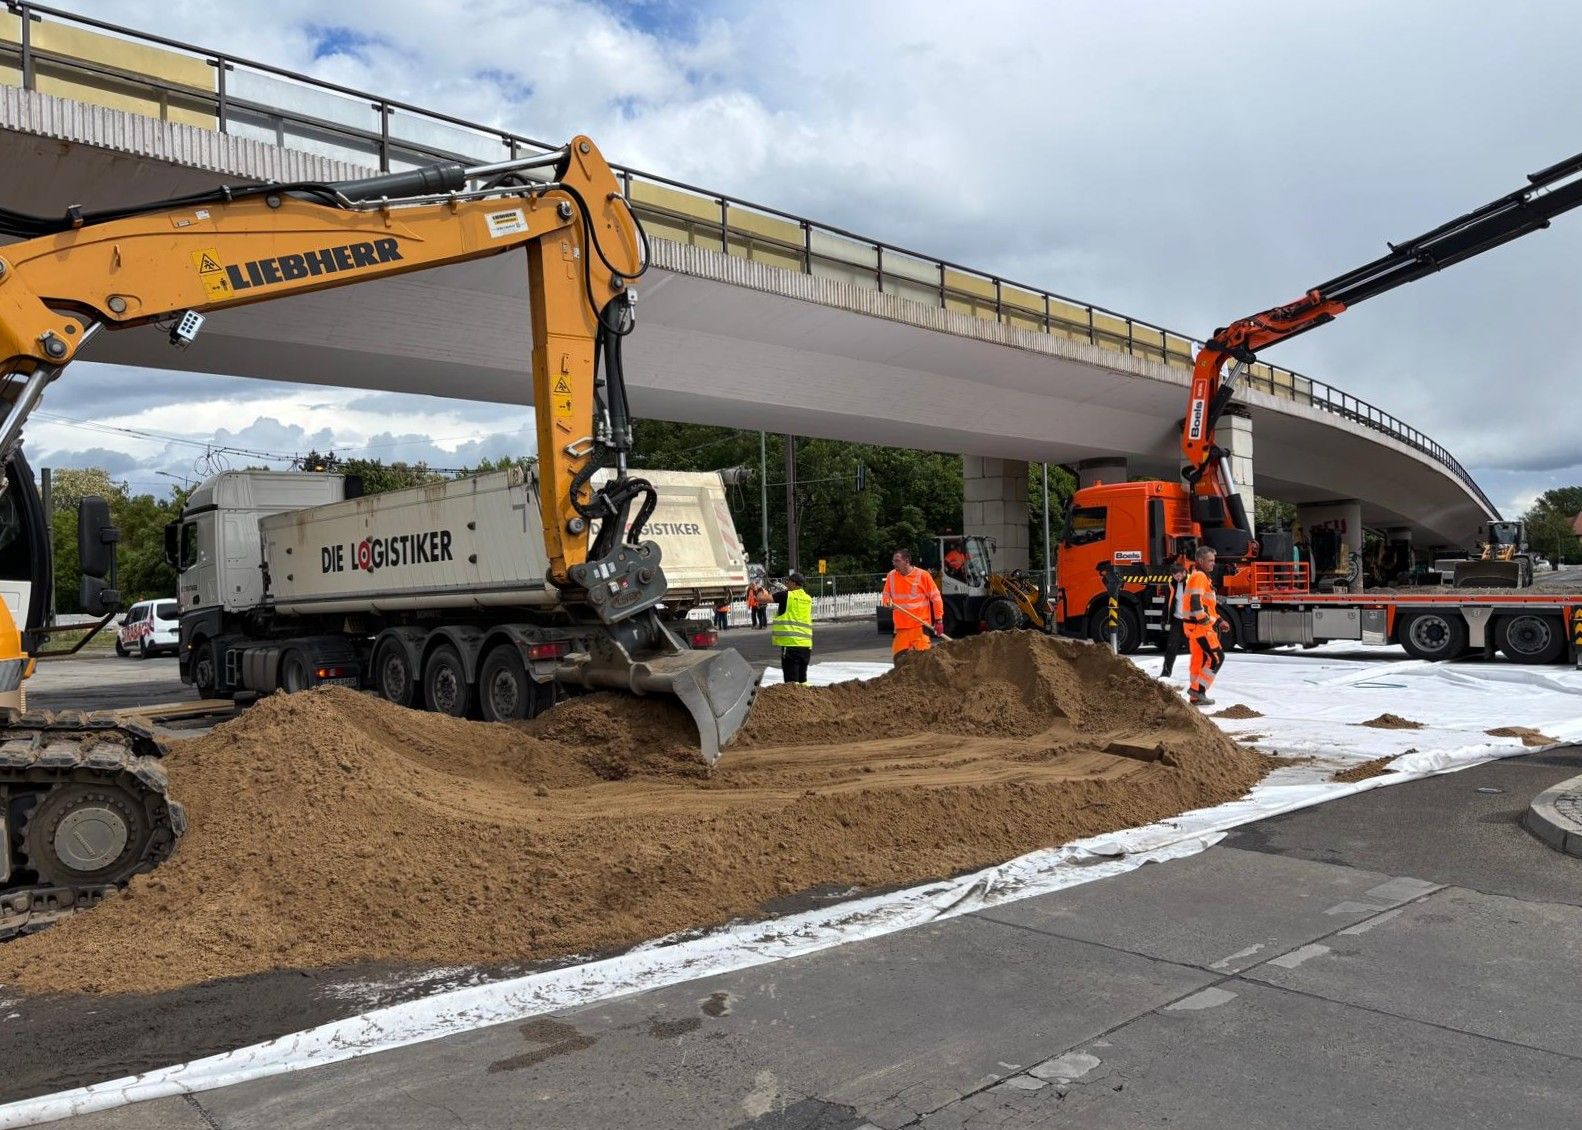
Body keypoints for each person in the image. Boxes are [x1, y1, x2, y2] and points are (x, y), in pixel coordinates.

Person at [1183, 546, 1229, 706]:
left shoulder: (1199, 576)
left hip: (1193, 627)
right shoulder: (1200, 576)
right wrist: (1202, 618)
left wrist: (1219, 620)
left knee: (1199, 661)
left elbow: (1206, 605)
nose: (1213, 564)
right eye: (1210, 561)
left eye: (1213, 561)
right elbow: (1196, 601)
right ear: (1200, 561)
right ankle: (1198, 690)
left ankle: (1195, 697)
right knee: (1217, 658)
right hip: (1200, 627)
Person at [881, 548, 944, 664]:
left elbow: (936, 598)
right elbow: (885, 595)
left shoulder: (923, 575)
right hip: (900, 628)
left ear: (907, 561)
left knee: (923, 662)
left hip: (919, 626)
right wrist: (887, 602)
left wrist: (938, 620)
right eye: (893, 561)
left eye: (897, 561)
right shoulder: (891, 576)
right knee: (899, 662)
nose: (894, 563)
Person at [771, 571, 813, 683]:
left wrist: (758, 589)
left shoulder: (786, 595)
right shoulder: (808, 598)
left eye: (788, 582)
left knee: (791, 683)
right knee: (802, 680)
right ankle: (806, 699)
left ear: (794, 583)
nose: (787, 584)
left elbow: (762, 598)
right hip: (806, 645)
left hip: (791, 645)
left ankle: (793, 700)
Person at [1158, 559, 1189, 679]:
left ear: (1184, 573)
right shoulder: (1171, 585)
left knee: (1194, 648)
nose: (1177, 577)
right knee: (1171, 647)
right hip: (1177, 620)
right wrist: (1163, 619)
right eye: (1175, 575)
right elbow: (1167, 603)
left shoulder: (1191, 583)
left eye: (1179, 574)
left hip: (1190, 621)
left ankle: (1199, 674)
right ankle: (1166, 672)